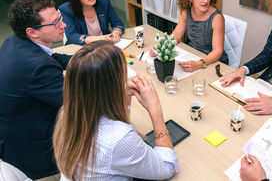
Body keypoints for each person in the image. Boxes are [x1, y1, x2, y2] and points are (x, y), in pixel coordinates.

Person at [53, 41, 179, 180]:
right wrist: (155, 110)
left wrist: (124, 95)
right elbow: (167, 169)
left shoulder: (67, 112)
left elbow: (116, 120)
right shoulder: (119, 139)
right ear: (112, 85)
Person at [0, 0, 72, 179]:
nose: (63, 25)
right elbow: (77, 102)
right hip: (34, 153)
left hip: (11, 135)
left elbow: (51, 57)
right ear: (32, 32)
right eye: (56, 23)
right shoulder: (39, 68)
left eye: (60, 18)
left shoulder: (14, 41)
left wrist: (88, 59)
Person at [151, 0, 228, 71]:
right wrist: (161, 47)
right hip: (193, 55)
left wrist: (200, 64)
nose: (205, 0)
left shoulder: (217, 18)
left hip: (212, 62)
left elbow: (218, 51)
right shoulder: (186, 12)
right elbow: (176, 36)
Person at [59, 0, 125, 45]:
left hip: (105, 46)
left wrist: (116, 32)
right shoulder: (66, 10)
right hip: (82, 48)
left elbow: (117, 23)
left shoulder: (104, 2)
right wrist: (103, 38)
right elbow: (72, 36)